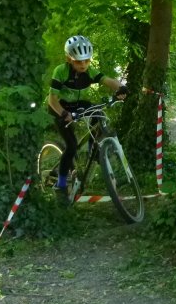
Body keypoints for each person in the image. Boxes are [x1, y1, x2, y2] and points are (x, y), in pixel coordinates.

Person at [47, 35, 127, 194]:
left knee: (98, 111)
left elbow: (107, 80)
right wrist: (64, 113)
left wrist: (121, 88)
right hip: (59, 107)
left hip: (78, 104)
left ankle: (93, 148)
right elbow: (52, 99)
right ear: (69, 59)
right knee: (71, 146)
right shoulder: (61, 71)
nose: (83, 64)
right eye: (78, 61)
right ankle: (61, 184)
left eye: (86, 60)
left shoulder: (90, 71)